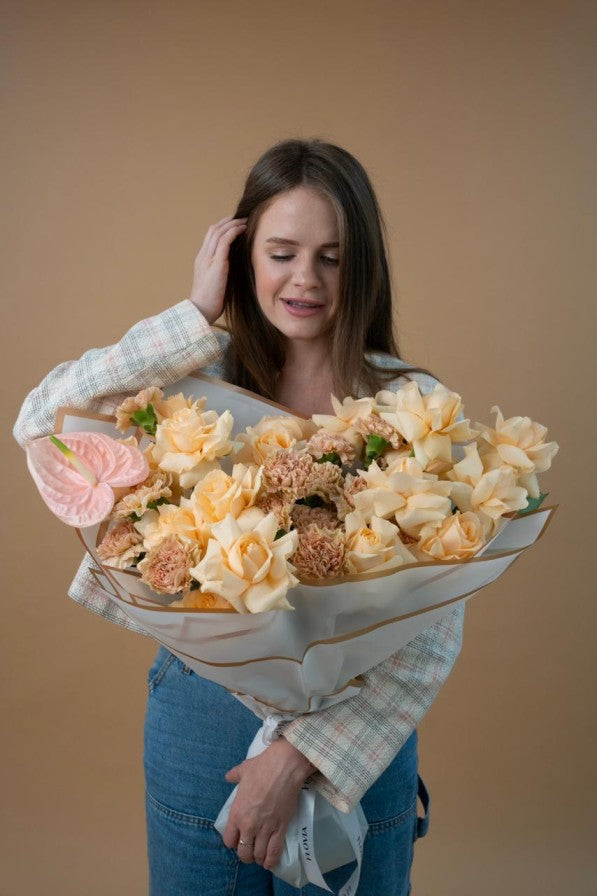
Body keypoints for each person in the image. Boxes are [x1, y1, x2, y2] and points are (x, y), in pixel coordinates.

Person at [14, 138, 465, 895]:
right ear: (241, 254)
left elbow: (431, 629)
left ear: (363, 267)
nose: (304, 279)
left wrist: (300, 755)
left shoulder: (414, 405)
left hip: (358, 731)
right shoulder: (192, 376)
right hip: (200, 717)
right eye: (281, 251)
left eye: (330, 256)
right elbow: (40, 418)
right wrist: (193, 314)